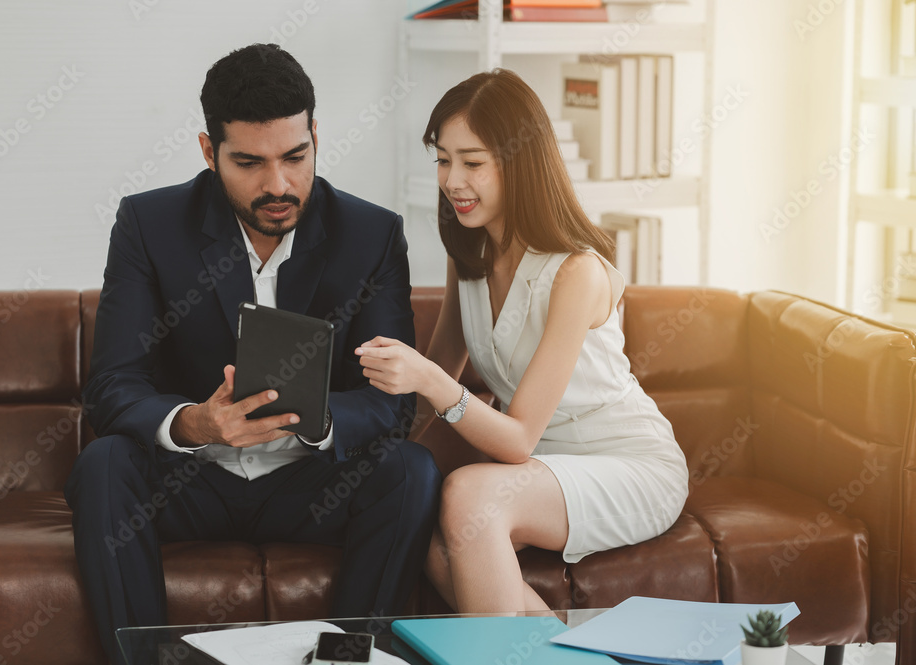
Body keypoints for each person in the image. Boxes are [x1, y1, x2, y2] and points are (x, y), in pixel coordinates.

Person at [64, 44, 441, 663]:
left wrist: (314, 421)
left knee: (410, 470)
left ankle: (349, 660)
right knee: (103, 465)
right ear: (210, 153)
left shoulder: (372, 235)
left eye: (296, 156)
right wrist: (193, 422)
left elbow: (388, 405)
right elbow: (112, 385)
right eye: (249, 162)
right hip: (190, 482)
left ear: (316, 135)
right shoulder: (148, 224)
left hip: (309, 484)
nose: (278, 184)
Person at [355, 69, 689, 614]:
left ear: (519, 163)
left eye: (473, 162)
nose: (452, 181)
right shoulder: (469, 252)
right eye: (443, 160)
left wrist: (432, 381)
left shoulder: (576, 271)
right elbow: (436, 375)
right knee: (411, 517)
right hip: (536, 468)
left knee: (469, 496)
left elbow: (514, 438)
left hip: (624, 464)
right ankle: (565, 649)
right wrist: (363, 433)